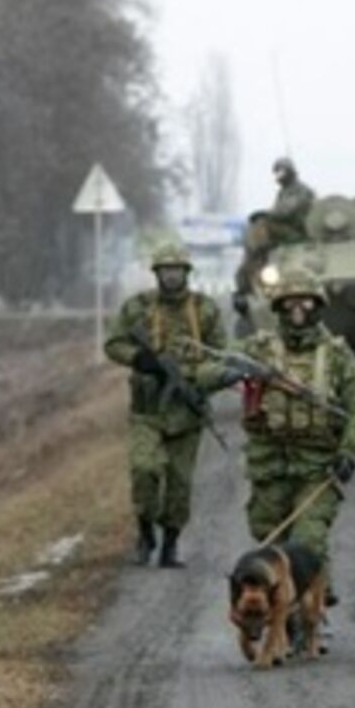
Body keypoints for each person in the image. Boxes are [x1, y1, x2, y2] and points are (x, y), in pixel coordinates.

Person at [233, 268, 355, 606]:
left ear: (318, 305)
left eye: (306, 302)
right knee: (268, 536)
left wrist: (348, 451)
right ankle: (289, 607)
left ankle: (313, 602)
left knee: (308, 540)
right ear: (278, 306)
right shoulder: (258, 349)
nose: (298, 310)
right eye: (290, 302)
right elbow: (216, 365)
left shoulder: (336, 355)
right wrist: (219, 373)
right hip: (269, 465)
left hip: (318, 467)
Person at [104, 242, 235, 567]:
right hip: (147, 411)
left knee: (179, 484)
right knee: (144, 471)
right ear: (157, 273)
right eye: (166, 270)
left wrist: (195, 377)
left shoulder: (204, 309)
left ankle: (170, 545)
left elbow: (222, 356)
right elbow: (113, 343)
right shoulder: (138, 308)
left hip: (186, 415)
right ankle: (145, 533)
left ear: (187, 272)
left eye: (177, 270)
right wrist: (140, 358)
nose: (172, 276)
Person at [233, 157, 316, 318]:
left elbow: (287, 211)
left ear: (290, 171)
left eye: (281, 171)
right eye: (277, 172)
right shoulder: (284, 192)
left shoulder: (301, 190)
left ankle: (257, 255)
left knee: (261, 225)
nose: (279, 175)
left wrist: (266, 214)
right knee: (257, 226)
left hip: (298, 233)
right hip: (285, 232)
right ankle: (251, 266)